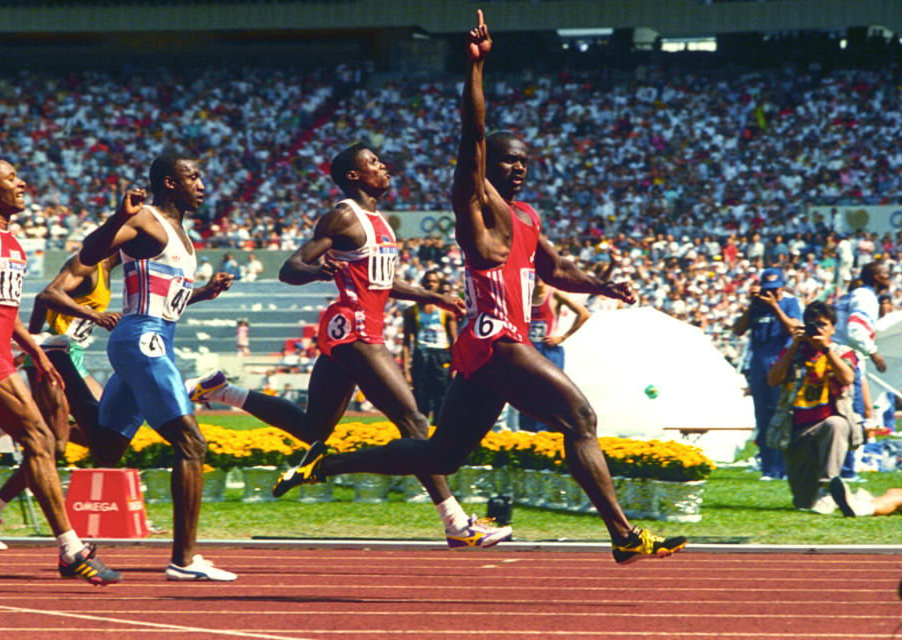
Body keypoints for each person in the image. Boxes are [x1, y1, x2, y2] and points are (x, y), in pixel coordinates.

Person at [270, 11, 686, 565]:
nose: (517, 169)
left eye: (524, 163)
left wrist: (605, 283)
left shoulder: (528, 217)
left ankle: (326, 464)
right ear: (488, 166)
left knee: (443, 452)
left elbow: (557, 270)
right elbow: (472, 132)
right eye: (508, 161)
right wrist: (477, 67)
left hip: (491, 348)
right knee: (580, 419)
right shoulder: (474, 205)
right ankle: (624, 535)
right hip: (496, 337)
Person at [186, 141, 512, 548]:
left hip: (357, 329)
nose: (384, 166)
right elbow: (291, 269)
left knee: (313, 428)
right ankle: (456, 522)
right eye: (373, 163)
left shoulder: (381, 222)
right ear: (355, 176)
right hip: (355, 328)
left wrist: (432, 297)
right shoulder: (344, 215)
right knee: (413, 421)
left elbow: (381, 280)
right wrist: (317, 270)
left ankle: (223, 391)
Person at [0, 156, 120, 584]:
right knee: (40, 438)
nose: (22, 184)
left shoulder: (13, 241)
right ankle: (71, 551)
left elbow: (7, 312)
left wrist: (36, 352)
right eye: (11, 179)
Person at [78, 153, 236, 581]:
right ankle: (183, 561)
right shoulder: (145, 220)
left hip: (154, 335)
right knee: (192, 443)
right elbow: (90, 253)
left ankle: (77, 550)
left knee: (107, 449)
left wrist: (204, 293)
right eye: (194, 177)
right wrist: (116, 217)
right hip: (139, 337)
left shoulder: (182, 234)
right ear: (169, 183)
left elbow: (170, 302)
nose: (202, 184)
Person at [0, 250, 122, 551]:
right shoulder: (89, 264)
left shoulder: (108, 274)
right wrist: (36, 344)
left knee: (106, 432)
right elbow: (45, 297)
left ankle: (19, 424)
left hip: (72, 356)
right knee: (54, 446)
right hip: (52, 353)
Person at [767, 300, 861, 515]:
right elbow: (772, 380)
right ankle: (843, 495)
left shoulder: (841, 351)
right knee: (803, 502)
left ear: (832, 328)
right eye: (812, 324)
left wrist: (826, 349)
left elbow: (847, 377)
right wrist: (793, 347)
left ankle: (829, 488)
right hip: (797, 428)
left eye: (822, 325)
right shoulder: (794, 351)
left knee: (836, 424)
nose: (817, 329)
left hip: (827, 423)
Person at [732, 267, 803, 480]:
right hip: (758, 362)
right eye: (766, 289)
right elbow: (738, 330)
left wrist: (775, 307)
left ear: (782, 286)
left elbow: (793, 329)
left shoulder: (790, 303)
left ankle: (781, 466)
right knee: (762, 415)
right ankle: (768, 466)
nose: (770, 293)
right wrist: (751, 306)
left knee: (780, 414)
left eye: (774, 289)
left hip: (780, 360)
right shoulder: (756, 307)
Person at [834, 262, 890, 479]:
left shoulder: (852, 295)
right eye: (885, 274)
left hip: (837, 353)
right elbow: (855, 330)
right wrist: (874, 353)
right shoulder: (866, 297)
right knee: (852, 412)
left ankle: (839, 466)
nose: (889, 277)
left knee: (842, 411)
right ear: (875, 277)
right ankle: (846, 470)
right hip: (847, 356)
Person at [519, 280, 589, 432]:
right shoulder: (524, 294)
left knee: (552, 392)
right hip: (528, 350)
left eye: (540, 277)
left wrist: (562, 337)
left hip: (548, 350)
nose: (537, 281)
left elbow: (584, 314)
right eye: (534, 277)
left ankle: (555, 429)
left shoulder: (554, 294)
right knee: (526, 392)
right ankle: (529, 431)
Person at [402, 269, 457, 420]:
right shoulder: (411, 311)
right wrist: (406, 369)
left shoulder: (446, 312)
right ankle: (421, 438)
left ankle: (439, 436)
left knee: (442, 398)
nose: (430, 284)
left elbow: (454, 339)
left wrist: (456, 364)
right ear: (422, 284)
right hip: (422, 356)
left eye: (433, 281)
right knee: (421, 398)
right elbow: (406, 342)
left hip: (441, 356)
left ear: (438, 285)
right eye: (427, 281)